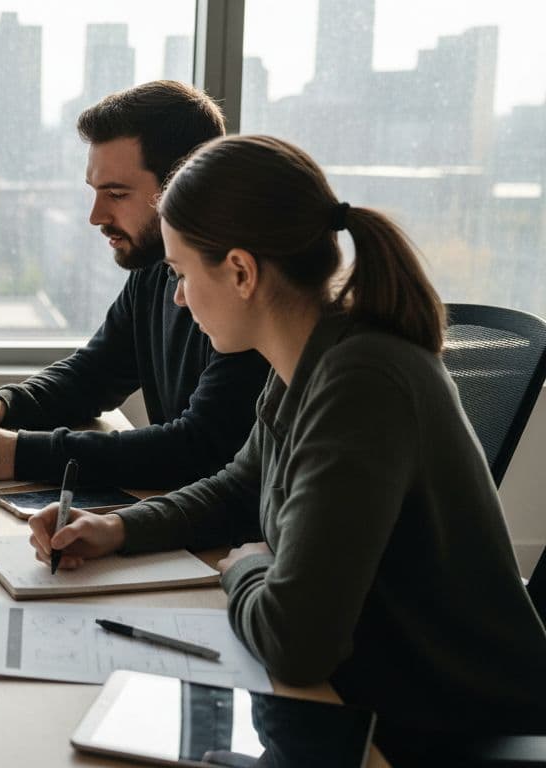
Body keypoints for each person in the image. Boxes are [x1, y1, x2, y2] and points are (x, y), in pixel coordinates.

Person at [29, 134, 546, 758]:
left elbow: (297, 644)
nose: (178, 297)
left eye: (182, 272)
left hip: (445, 722)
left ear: (241, 272)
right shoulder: (310, 352)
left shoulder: (361, 381)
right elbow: (240, 487)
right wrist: (114, 527)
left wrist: (244, 567)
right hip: (370, 688)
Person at [0, 81, 269, 486]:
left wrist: (18, 453)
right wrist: (2, 405)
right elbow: (94, 374)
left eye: (117, 193)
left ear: (186, 183)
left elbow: (198, 448)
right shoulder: (154, 267)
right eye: (95, 191)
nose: (95, 215)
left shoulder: (238, 289)